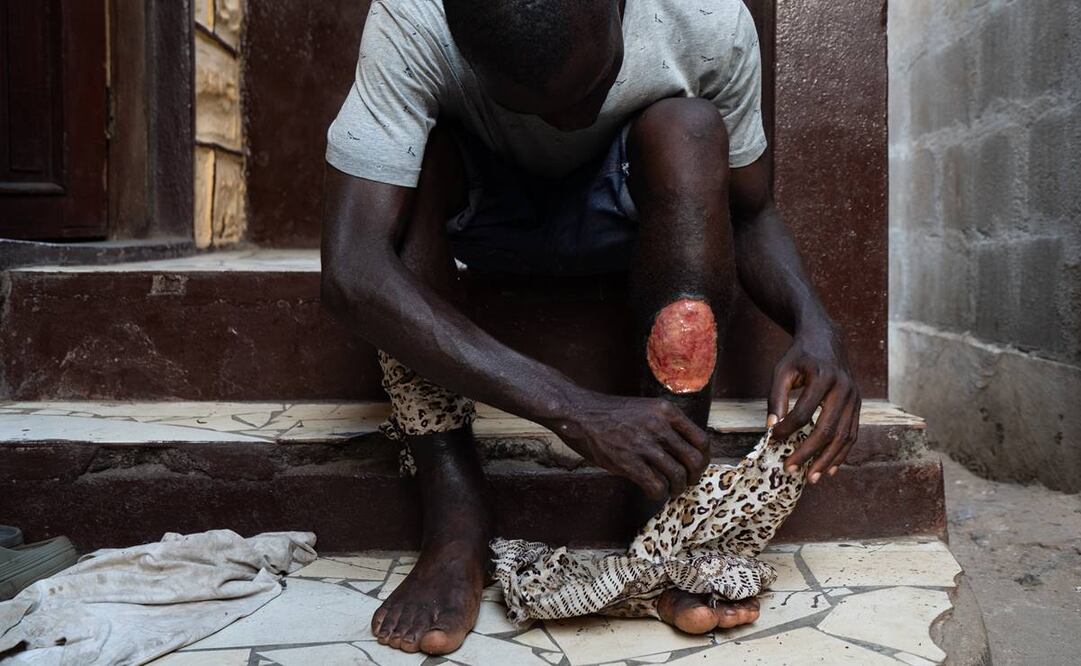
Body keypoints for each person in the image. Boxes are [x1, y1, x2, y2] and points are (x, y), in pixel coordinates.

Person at [321, 0, 861, 656]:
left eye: (593, 88)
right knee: (411, 161)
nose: (567, 121)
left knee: (689, 127)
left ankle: (663, 517)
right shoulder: (413, 19)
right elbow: (353, 272)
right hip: (482, 213)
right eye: (530, 105)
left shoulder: (705, 17)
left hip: (629, 216)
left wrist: (814, 324)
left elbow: (750, 211)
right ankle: (455, 524)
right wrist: (569, 406)